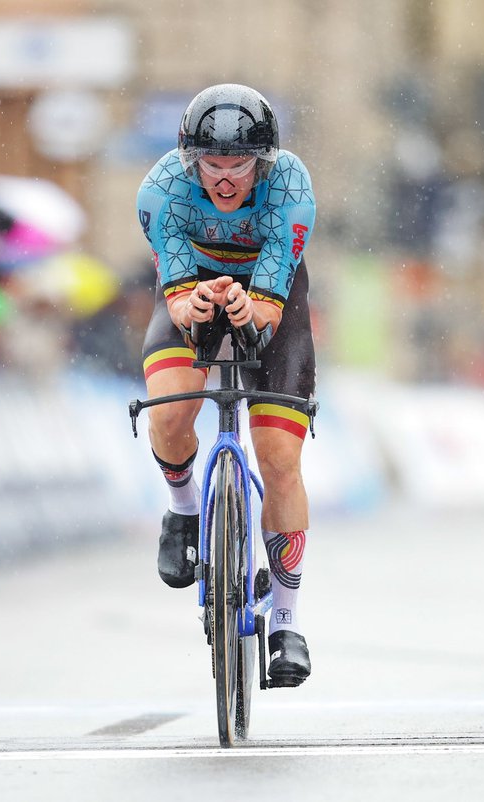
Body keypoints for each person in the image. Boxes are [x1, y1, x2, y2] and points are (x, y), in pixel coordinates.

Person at [136, 84, 317, 685]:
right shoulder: (161, 191)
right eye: (211, 164)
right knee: (168, 411)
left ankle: (287, 623)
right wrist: (198, 304)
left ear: (262, 162)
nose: (223, 178)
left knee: (280, 460)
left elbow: (267, 311)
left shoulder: (291, 187)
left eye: (238, 165)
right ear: (190, 160)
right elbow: (179, 298)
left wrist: (250, 308)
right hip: (194, 289)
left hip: (273, 295)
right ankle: (183, 508)